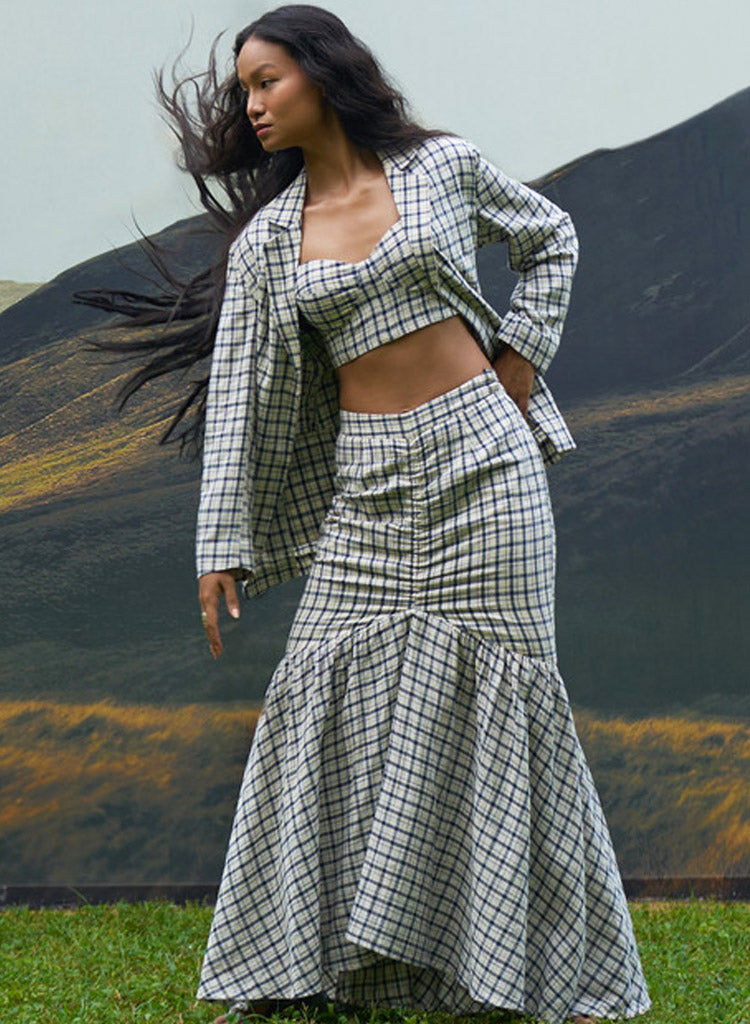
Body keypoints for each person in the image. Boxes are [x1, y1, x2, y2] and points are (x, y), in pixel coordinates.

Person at [108, 5, 651, 1022]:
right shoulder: (271, 243)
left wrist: (518, 367)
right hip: (367, 486)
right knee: (316, 694)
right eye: (243, 90)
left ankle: (566, 985)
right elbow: (243, 396)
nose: (252, 105)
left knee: (512, 698)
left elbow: (551, 237)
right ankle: (284, 970)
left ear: (322, 74)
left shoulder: (443, 167)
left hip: (486, 468)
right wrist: (220, 543)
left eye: (267, 80)